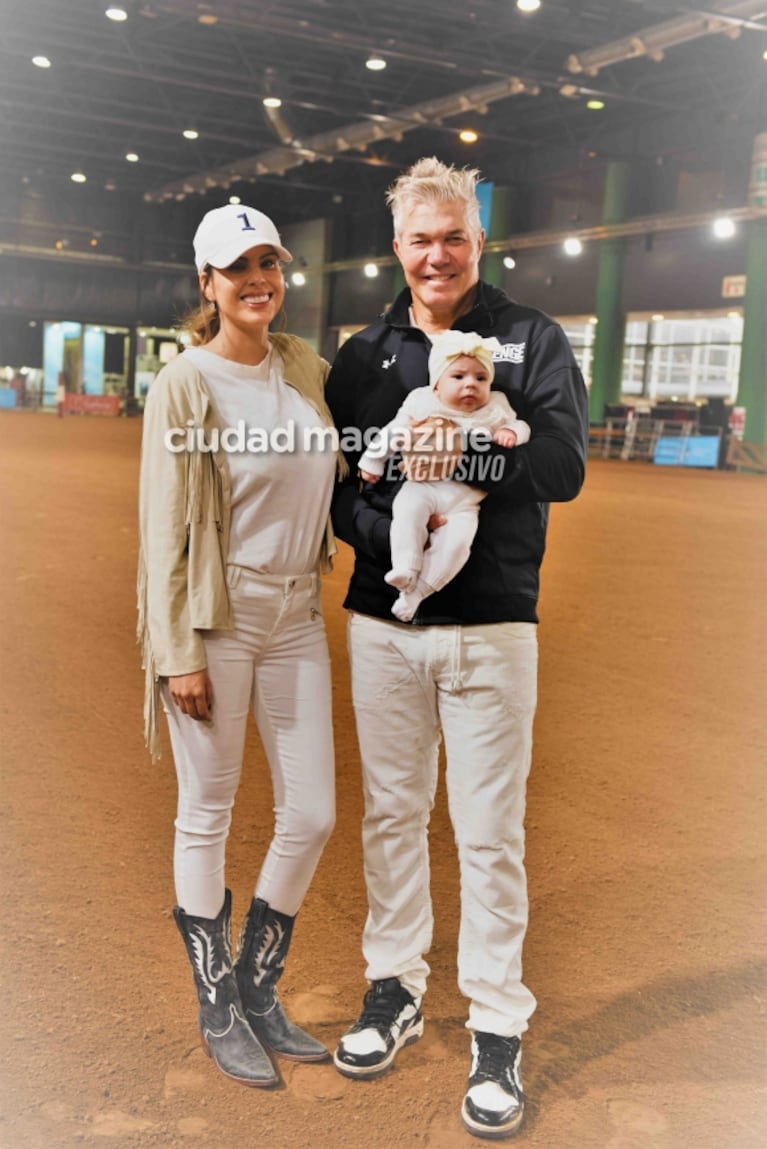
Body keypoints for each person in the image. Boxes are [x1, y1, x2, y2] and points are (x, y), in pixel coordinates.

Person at [326, 157, 589, 1140]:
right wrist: (391, 524)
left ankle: (494, 1023)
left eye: (453, 237)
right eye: (418, 239)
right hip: (383, 626)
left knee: (488, 831)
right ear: (397, 247)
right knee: (390, 816)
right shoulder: (363, 353)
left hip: (491, 625)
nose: (435, 255)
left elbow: (561, 464)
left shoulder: (529, 340)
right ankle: (391, 988)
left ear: (478, 241)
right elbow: (345, 486)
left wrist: (466, 458)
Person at [137, 203, 346, 1089]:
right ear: (207, 284)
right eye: (238, 267)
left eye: (269, 262)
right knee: (207, 810)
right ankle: (217, 999)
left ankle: (258, 987)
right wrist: (176, 648)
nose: (258, 278)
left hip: (297, 615)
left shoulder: (304, 366)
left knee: (314, 812)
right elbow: (163, 529)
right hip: (217, 621)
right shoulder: (184, 384)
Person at [357, 331, 530, 621]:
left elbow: (522, 425)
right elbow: (394, 431)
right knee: (406, 511)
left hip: (464, 502)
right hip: (422, 485)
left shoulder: (496, 407)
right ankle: (405, 566)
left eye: (480, 378)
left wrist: (511, 432)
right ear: (437, 382)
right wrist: (373, 461)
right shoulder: (422, 402)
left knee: (457, 547)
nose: (470, 385)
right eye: (458, 377)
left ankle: (416, 593)